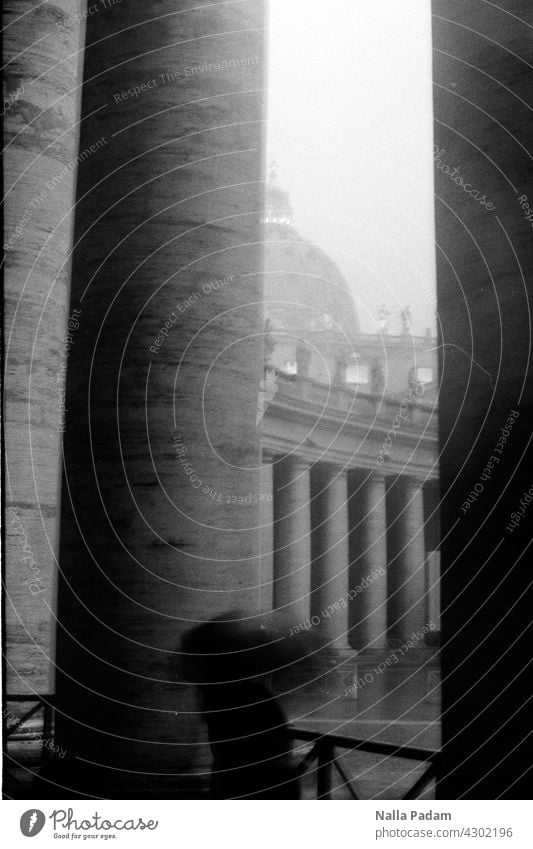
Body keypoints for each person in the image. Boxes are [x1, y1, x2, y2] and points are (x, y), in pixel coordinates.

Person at [181, 614, 302, 799]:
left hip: (230, 782)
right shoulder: (252, 696)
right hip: (260, 785)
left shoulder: (215, 694)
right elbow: (270, 743)